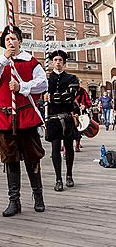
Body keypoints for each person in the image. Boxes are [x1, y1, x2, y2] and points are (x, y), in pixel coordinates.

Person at [0, 25, 47, 216]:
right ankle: (14, 200)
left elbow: (43, 83)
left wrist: (22, 86)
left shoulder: (30, 62)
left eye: (13, 39)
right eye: (7, 39)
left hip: (26, 117)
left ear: (20, 40)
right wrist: (5, 58)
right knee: (10, 160)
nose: (10, 42)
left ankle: (38, 197)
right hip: (5, 118)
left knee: (32, 158)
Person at [45, 50, 79, 191]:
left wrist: (52, 97)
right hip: (53, 118)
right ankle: (58, 178)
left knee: (69, 148)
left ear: (64, 62)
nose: (58, 62)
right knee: (54, 149)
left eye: (60, 60)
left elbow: (69, 97)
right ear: (52, 62)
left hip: (67, 116)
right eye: (55, 60)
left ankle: (69, 175)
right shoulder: (46, 79)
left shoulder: (71, 78)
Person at [74, 82, 92, 151]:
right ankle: (65, 147)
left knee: (79, 129)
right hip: (69, 112)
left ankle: (77, 145)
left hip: (79, 112)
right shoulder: (67, 89)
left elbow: (87, 101)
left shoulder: (82, 90)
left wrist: (85, 105)